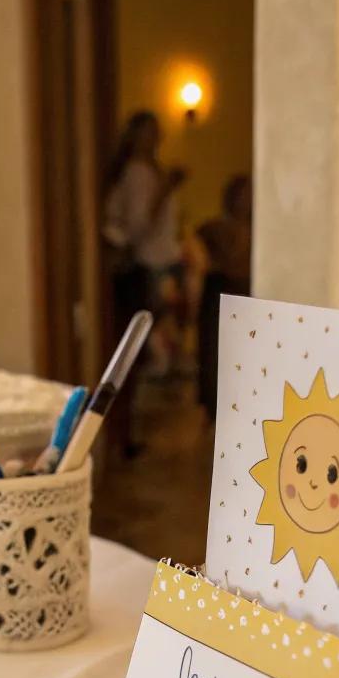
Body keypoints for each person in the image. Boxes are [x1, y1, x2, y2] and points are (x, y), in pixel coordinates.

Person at [102, 111, 188, 453]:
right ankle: (123, 433)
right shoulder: (138, 174)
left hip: (160, 263)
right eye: (148, 132)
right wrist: (166, 190)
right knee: (139, 352)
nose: (154, 139)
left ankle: (128, 431)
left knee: (147, 353)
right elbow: (139, 227)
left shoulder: (149, 171)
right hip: (147, 267)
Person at [197, 173, 252, 424]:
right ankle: (215, 413)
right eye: (243, 193)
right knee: (216, 354)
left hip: (245, 293)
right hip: (221, 294)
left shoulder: (261, 230)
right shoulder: (215, 229)